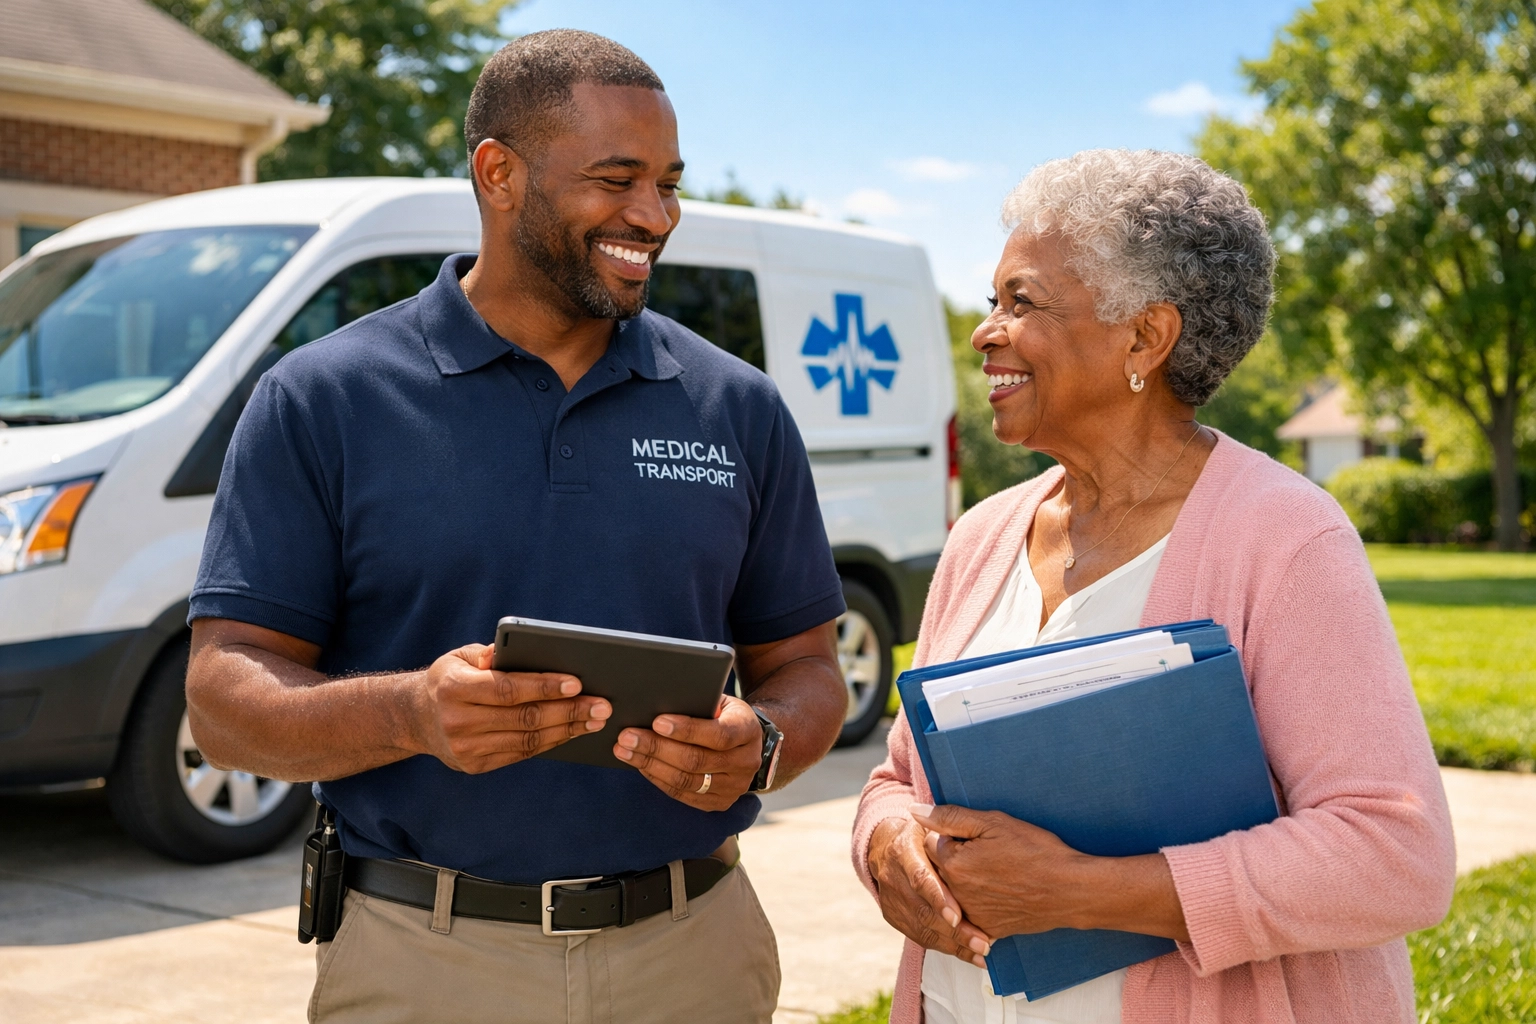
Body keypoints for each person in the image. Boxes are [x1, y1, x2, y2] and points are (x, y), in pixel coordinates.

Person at [184, 30, 848, 1024]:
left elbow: (811, 672)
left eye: (668, 183)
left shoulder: (737, 408)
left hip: (694, 955)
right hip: (423, 961)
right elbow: (224, 700)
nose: (654, 216)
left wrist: (757, 745)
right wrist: (410, 712)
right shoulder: (323, 398)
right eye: (617, 179)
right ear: (499, 173)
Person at [851, 149, 1456, 1024]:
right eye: (992, 301)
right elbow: (895, 778)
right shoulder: (982, 536)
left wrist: (1087, 893)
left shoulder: (1286, 537)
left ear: (1145, 337)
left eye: (1022, 301)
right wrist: (888, 842)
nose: (985, 331)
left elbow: (1394, 854)